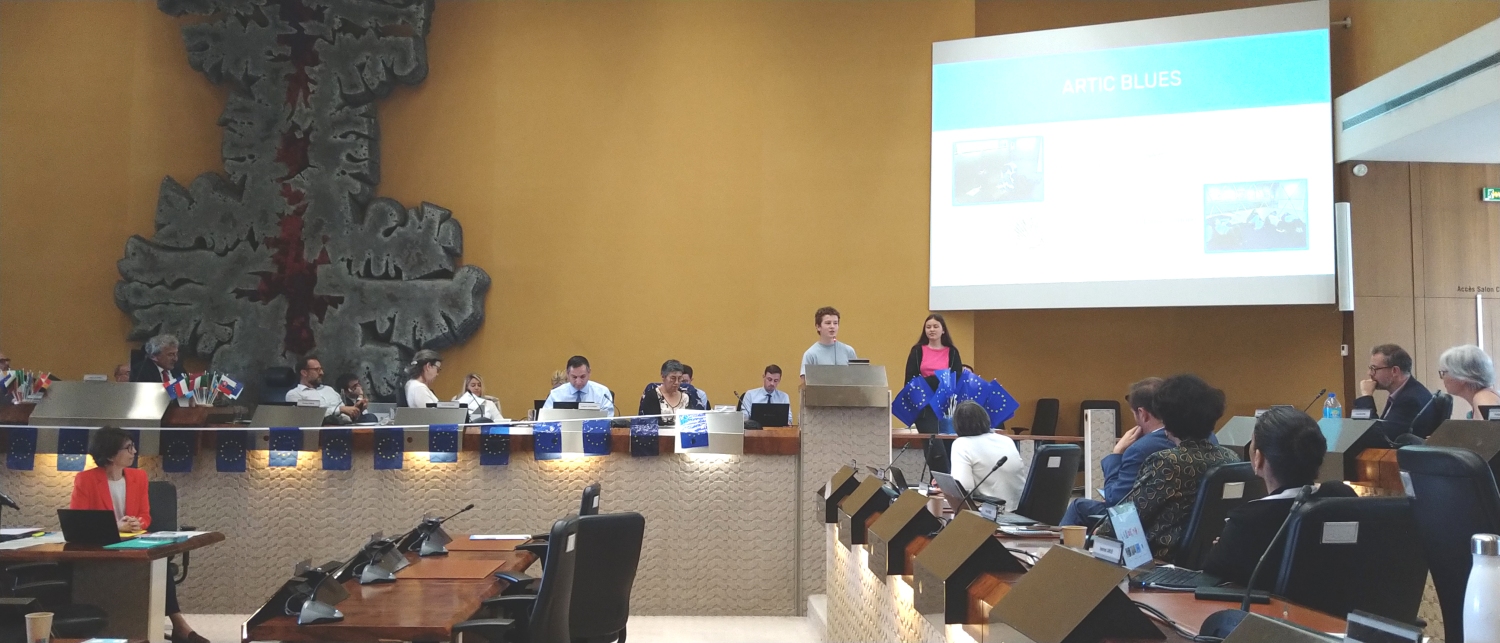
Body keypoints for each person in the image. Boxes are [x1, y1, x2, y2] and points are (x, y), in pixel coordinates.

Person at [70, 427, 210, 643]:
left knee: (159, 561)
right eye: (128, 448)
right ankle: (177, 627)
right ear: (110, 454)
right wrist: (115, 526)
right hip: (100, 549)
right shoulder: (85, 480)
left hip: (134, 544)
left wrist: (138, 523)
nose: (134, 452)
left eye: (133, 446)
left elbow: (145, 515)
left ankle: (178, 625)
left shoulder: (139, 477)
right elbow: (79, 522)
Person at [1203, 407, 1356, 586]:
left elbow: (1212, 571)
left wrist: (1225, 545)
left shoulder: (1247, 520)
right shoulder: (1342, 496)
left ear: (1258, 459)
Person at [1094, 374, 1240, 560]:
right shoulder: (1230, 458)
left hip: (1162, 559)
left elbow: (1127, 515)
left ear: (1168, 419)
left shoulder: (1167, 462)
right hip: (1210, 557)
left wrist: (1098, 533)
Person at [1061, 377, 1220, 527]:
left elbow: (1117, 503)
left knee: (1078, 506)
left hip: (1156, 531)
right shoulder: (1212, 441)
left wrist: (1116, 454)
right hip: (1196, 527)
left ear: (1143, 413)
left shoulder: (1145, 451)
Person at [947, 400, 1026, 510]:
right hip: (1021, 510)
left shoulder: (961, 444)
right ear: (986, 419)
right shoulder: (1006, 440)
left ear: (956, 424)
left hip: (993, 513)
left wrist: (946, 487)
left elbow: (963, 490)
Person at [1353, 343, 1432, 441]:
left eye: (1374, 369)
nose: (1369, 373)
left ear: (1394, 371)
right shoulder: (1405, 392)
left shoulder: (1410, 400)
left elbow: (1379, 438)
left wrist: (1366, 396)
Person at [285, 356, 360, 424]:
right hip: (318, 429)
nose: (321, 373)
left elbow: (345, 414)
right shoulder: (294, 394)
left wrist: (355, 411)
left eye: (321, 369)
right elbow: (308, 416)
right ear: (304, 373)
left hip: (343, 426)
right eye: (317, 370)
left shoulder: (329, 389)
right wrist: (340, 410)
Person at [543, 355, 615, 416]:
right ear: (567, 374)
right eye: (574, 377)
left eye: (582, 376)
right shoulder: (556, 395)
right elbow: (545, 421)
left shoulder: (602, 393)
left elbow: (608, 421)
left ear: (589, 373)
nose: (578, 382)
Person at [801, 306, 857, 382]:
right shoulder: (810, 354)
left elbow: (856, 378)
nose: (832, 326)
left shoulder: (848, 351)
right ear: (818, 327)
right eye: (828, 323)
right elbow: (805, 383)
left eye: (835, 323)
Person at [638, 360, 703, 425]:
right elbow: (651, 423)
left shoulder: (686, 397)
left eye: (679, 378)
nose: (676, 382)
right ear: (663, 377)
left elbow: (691, 422)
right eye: (673, 378)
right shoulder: (652, 396)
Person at [904, 314, 962, 383]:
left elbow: (957, 378)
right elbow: (910, 378)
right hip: (921, 389)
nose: (932, 330)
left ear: (943, 330)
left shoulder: (952, 352)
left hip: (945, 389)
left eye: (935, 327)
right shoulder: (917, 351)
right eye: (928, 327)